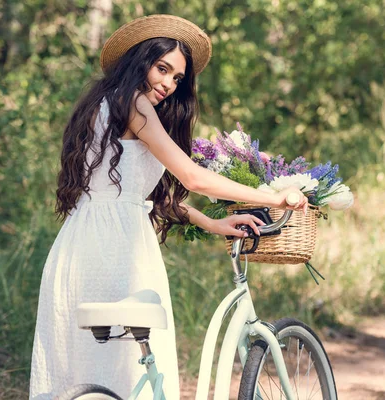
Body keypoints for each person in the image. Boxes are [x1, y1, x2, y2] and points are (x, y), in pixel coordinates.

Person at [29, 14, 308, 400]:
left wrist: (212, 224)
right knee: (124, 376)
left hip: (84, 244)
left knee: (87, 373)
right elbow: (192, 178)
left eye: (177, 77)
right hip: (116, 254)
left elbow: (139, 196)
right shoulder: (135, 104)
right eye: (163, 69)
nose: (168, 83)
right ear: (140, 61)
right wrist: (276, 196)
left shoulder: (107, 103)